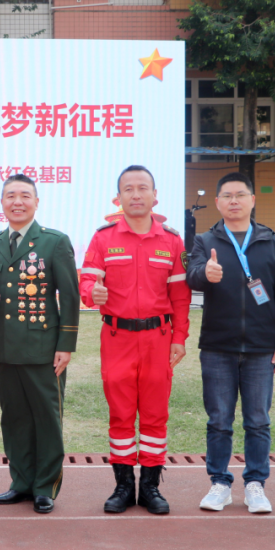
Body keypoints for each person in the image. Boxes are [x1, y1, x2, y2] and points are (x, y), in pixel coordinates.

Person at [79, 165, 190, 514]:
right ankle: (124, 486)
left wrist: (179, 338)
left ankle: (151, 487)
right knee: (121, 413)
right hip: (117, 338)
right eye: (129, 189)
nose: (136, 194)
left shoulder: (171, 241)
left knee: (155, 414)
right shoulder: (103, 238)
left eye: (143, 188)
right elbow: (87, 282)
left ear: (155, 196)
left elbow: (180, 297)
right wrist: (91, 294)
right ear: (118, 198)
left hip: (159, 338)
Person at [186, 172, 275, 514]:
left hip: (261, 348)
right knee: (219, 419)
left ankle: (255, 484)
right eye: (227, 196)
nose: (234, 201)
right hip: (217, 346)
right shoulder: (205, 240)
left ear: (252, 200)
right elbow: (192, 277)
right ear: (217, 202)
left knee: (258, 420)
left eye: (240, 195)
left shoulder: (271, 241)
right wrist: (206, 274)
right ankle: (219, 483)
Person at [0, 174, 80, 514]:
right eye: (10, 196)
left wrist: (66, 344)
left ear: (36, 202)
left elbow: (70, 295)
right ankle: (20, 482)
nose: (17, 202)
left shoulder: (54, 241)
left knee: (47, 419)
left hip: (43, 348)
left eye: (24, 195)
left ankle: (45, 487)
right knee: (15, 418)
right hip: (6, 348)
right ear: (2, 202)